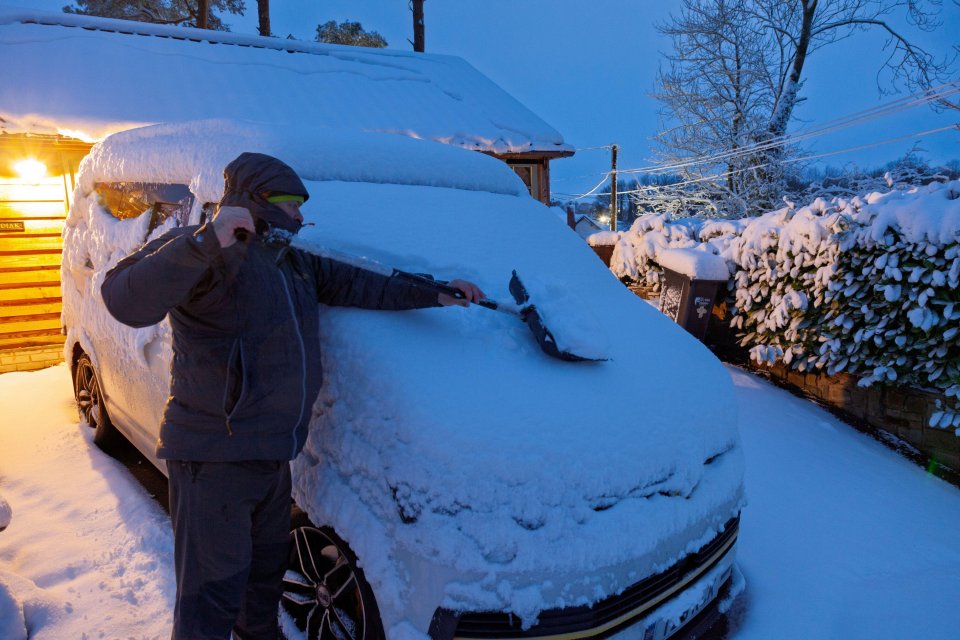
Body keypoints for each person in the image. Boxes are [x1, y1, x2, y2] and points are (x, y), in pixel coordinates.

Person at [101, 152, 484, 640]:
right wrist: (205, 242)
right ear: (255, 202)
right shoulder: (202, 249)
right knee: (210, 598)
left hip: (272, 459)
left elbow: (362, 283)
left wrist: (435, 292)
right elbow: (123, 299)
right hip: (213, 460)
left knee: (261, 586)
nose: (301, 216)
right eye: (290, 203)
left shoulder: (293, 264)